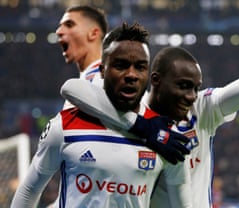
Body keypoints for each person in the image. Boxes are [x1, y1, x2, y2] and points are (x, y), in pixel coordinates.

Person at [60, 32, 239, 208]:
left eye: (194, 87)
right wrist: (142, 127)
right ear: (156, 80)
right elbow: (73, 89)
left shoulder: (203, 107)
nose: (190, 95)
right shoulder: (129, 112)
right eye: (182, 86)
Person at [10, 22, 192, 208]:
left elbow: (182, 204)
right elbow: (29, 191)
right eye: (121, 65)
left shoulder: (168, 136)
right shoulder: (65, 125)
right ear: (103, 71)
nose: (131, 74)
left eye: (140, 67)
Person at [56, 5, 108, 109]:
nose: (59, 31)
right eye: (60, 26)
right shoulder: (88, 81)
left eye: (69, 25)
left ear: (93, 33)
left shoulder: (107, 82)